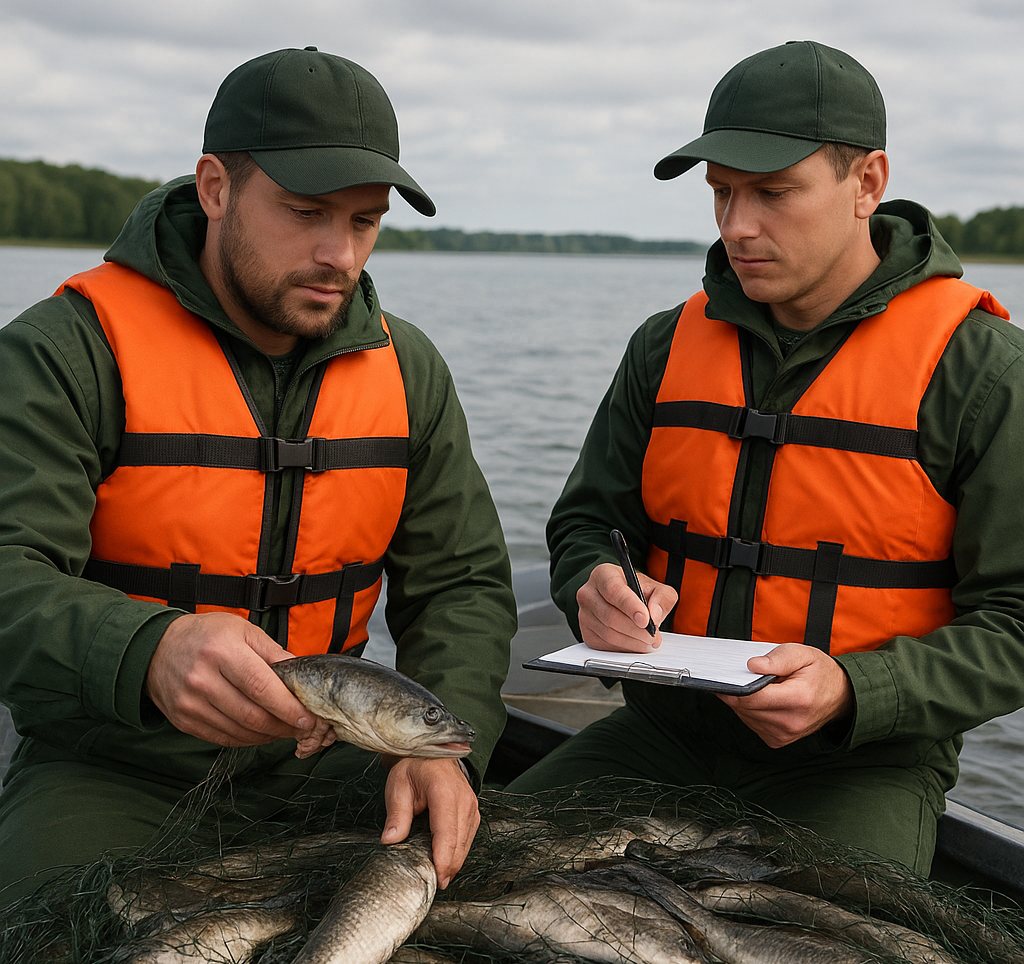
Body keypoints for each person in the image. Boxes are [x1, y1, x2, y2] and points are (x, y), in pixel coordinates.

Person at [0, 47, 517, 907]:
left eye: (363, 221)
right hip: (117, 768)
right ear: (214, 187)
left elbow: (461, 583)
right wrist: (149, 651)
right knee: (58, 953)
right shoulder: (64, 351)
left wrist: (442, 754)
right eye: (305, 211)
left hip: (339, 760)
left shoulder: (409, 370)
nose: (337, 253)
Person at [507, 40, 1024, 875]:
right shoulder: (663, 346)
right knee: (466, 873)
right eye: (721, 194)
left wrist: (859, 690)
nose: (738, 226)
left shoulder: (986, 371)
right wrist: (593, 588)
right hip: (660, 735)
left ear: (867, 184)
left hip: (862, 765)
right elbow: (587, 525)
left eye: (775, 193)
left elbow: (1019, 624)